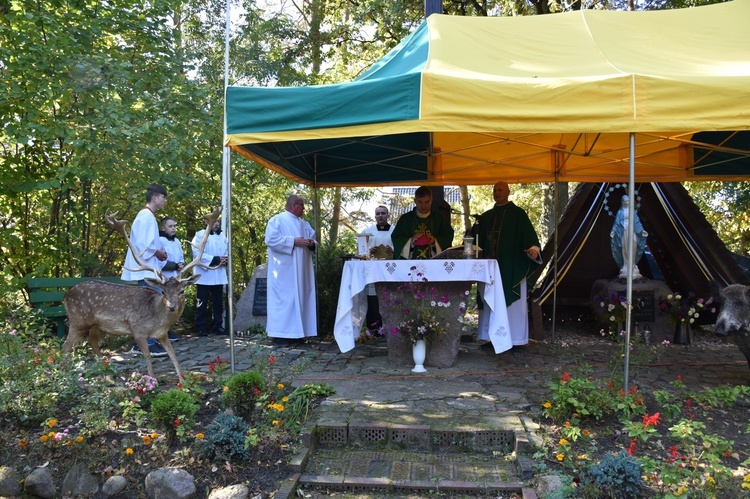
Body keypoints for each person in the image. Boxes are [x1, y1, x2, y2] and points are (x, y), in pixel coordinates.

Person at [473, 181, 542, 348]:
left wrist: (533, 249)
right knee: (489, 301)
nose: (497, 192)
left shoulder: (518, 214)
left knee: (512, 305)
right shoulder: (486, 216)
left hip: (512, 268)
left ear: (508, 192)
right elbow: (477, 241)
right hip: (489, 268)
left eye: (500, 190)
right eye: (495, 190)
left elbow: (530, 237)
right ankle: (489, 338)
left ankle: (515, 339)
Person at [122, 183, 170, 357]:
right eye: (163, 197)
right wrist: (158, 252)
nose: (165, 201)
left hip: (148, 268)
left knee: (148, 307)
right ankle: (146, 344)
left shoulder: (147, 216)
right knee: (149, 308)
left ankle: (145, 343)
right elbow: (143, 244)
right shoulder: (146, 216)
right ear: (155, 197)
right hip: (146, 270)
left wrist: (159, 252)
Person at [264, 195, 318, 346]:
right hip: (284, 271)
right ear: (294, 205)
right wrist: (293, 241)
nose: (304, 209)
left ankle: (298, 333)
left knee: (300, 299)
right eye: (302, 205)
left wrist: (311, 243)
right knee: (284, 300)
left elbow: (313, 239)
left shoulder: (304, 224)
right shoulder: (277, 220)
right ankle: (279, 334)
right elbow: (271, 240)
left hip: (302, 271)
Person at [391, 186, 454, 259]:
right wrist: (410, 241)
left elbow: (447, 237)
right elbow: (396, 238)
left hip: (433, 263)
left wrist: (435, 241)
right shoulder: (406, 219)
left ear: (431, 201)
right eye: (420, 202)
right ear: (415, 201)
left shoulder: (439, 219)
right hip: (410, 263)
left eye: (427, 202)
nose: (423, 205)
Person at [192, 218, 228, 336]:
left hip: (218, 274)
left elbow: (227, 251)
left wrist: (225, 260)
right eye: (214, 221)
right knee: (201, 302)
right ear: (207, 222)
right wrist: (217, 259)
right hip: (205, 275)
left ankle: (217, 325)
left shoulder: (223, 236)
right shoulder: (200, 235)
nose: (216, 223)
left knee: (218, 302)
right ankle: (200, 326)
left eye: (218, 221)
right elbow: (197, 253)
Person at [362, 205, 395, 334]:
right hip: (373, 269)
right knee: (372, 297)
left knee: (389, 296)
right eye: (378, 214)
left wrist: (392, 249)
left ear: (388, 215)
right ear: (375, 216)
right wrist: (370, 250)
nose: (380, 215)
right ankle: (373, 327)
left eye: (383, 213)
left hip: (390, 270)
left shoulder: (395, 231)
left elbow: (402, 247)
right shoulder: (367, 231)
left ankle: (390, 327)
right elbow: (361, 250)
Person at [159, 217, 185, 341]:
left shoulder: (177, 241)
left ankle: (168, 331)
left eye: (174, 226)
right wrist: (173, 265)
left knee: (173, 304)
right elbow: (159, 260)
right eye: (170, 226)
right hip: (165, 278)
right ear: (163, 228)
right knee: (164, 306)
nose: (173, 228)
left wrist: (181, 265)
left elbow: (181, 257)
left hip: (175, 278)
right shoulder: (160, 240)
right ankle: (162, 332)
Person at [610, 194, 648, 279]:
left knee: (634, 246)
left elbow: (637, 222)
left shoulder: (633, 212)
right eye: (624, 201)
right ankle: (626, 265)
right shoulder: (620, 212)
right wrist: (613, 231)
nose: (626, 203)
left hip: (632, 231)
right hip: (623, 231)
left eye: (627, 201)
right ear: (622, 202)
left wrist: (642, 231)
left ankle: (633, 264)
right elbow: (616, 223)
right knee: (625, 248)